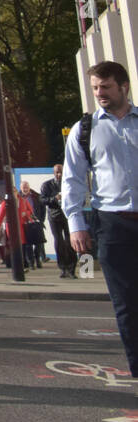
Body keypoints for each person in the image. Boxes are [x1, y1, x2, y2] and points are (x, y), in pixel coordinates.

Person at [63, 60, 138, 379]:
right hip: (112, 224)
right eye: (95, 88)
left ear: (124, 87)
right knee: (127, 304)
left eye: (105, 87)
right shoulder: (85, 129)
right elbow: (73, 178)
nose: (99, 93)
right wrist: (76, 223)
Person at [41, 164, 75, 278]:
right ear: (53, 173)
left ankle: (72, 268)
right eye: (57, 172)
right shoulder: (47, 184)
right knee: (59, 241)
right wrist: (54, 198)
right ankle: (63, 268)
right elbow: (42, 199)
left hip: (68, 216)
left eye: (61, 172)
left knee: (70, 241)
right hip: (54, 216)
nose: (59, 174)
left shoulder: (68, 183)